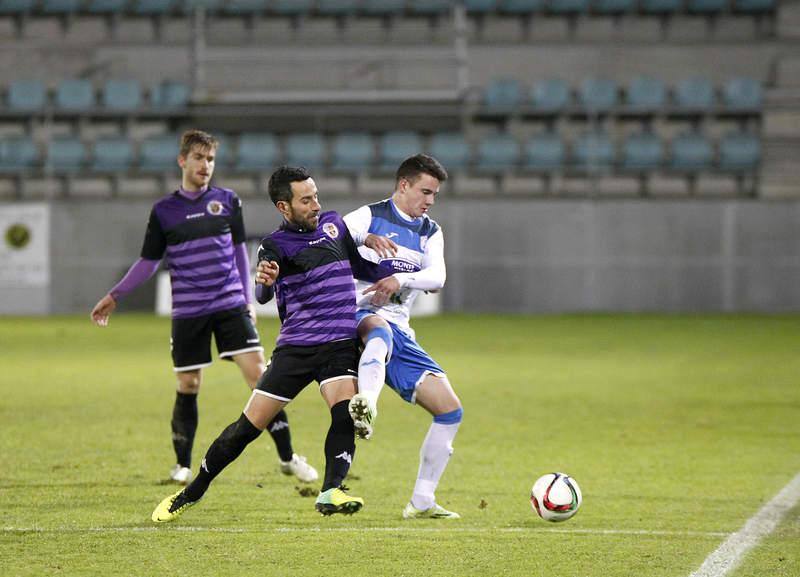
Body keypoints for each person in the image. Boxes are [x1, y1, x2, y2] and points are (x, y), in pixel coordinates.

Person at [151, 165, 395, 522]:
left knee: (344, 414)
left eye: (315, 196)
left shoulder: (333, 224)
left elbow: (357, 265)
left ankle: (332, 490)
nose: (315, 204)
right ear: (284, 207)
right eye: (306, 200)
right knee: (245, 430)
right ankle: (192, 491)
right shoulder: (274, 245)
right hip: (296, 350)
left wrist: (394, 272)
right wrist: (266, 279)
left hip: (339, 343)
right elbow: (263, 292)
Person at [90, 130, 317, 487]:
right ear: (183, 160)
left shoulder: (228, 201)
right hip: (188, 311)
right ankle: (182, 465)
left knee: (261, 376)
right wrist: (116, 294)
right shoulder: (165, 211)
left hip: (229, 304)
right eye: (199, 158)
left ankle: (288, 458)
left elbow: (241, 251)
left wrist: (247, 297)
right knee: (188, 383)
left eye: (210, 159)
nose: (205, 166)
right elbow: (149, 262)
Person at [343, 154, 463, 520]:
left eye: (435, 194)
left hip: (400, 328)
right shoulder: (369, 215)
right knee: (378, 331)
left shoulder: (430, 231)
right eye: (425, 191)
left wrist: (402, 279)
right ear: (403, 185)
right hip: (356, 314)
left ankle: (422, 501)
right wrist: (365, 237)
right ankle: (366, 404)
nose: (429, 200)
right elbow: (327, 238)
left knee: (449, 410)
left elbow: (438, 277)